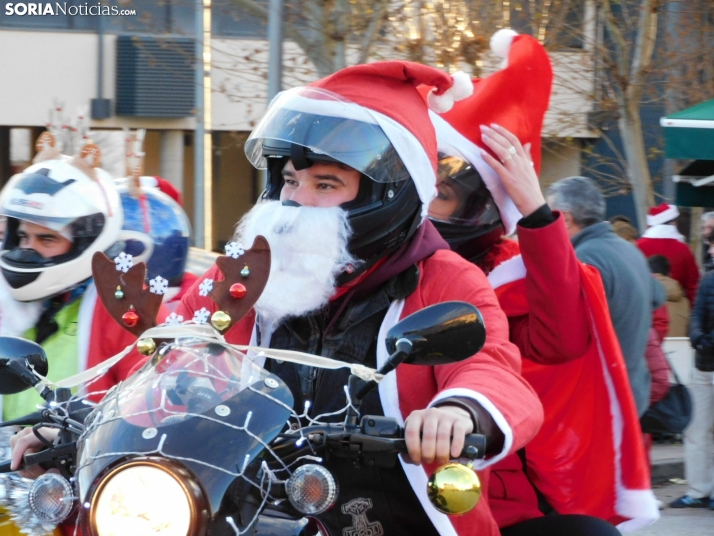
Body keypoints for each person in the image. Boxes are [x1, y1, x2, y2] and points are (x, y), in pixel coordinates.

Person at [163, 61, 546, 536]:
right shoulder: (243, 276)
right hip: (251, 513)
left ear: (388, 196)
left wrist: (460, 411)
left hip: (399, 519)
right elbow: (169, 351)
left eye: (325, 184)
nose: (298, 198)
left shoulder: (443, 279)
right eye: (289, 180)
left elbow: (490, 365)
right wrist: (74, 420)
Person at [425, 29, 655, 533]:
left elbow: (561, 338)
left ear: (481, 204)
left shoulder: (502, 276)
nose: (424, 205)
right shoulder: (379, 268)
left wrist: (534, 211)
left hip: (492, 499)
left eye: (440, 193)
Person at [0, 149, 144, 421]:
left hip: (83, 459)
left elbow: (148, 410)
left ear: (84, 241)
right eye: (22, 236)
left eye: (46, 239)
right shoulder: (5, 303)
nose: (28, 249)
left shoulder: (123, 310)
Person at [546, 177, 666, 417]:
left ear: (566, 219)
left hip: (599, 401)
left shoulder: (583, 259)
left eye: (549, 216)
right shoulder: (630, 250)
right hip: (632, 392)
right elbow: (657, 296)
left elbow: (568, 335)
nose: (544, 224)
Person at [671, 229, 714, 509]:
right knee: (696, 430)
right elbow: (697, 311)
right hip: (703, 365)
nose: (710, 252)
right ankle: (699, 491)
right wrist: (697, 336)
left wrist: (705, 340)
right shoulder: (708, 278)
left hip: (706, 356)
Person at [637, 203, 699, 304]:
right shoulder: (684, 249)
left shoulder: (637, 246)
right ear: (673, 223)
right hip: (677, 311)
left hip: (645, 308)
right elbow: (693, 287)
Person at [648, 255, 690, 337]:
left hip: (653, 346)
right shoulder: (685, 302)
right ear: (669, 274)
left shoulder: (644, 298)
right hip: (681, 347)